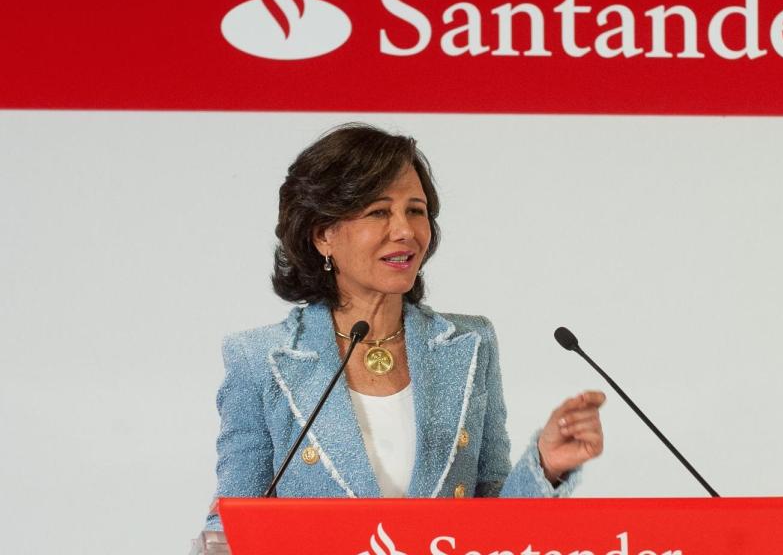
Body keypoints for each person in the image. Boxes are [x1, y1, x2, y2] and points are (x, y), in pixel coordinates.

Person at [206, 124, 605, 530]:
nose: (405, 231)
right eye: (379, 212)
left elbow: (494, 521)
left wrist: (547, 463)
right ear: (323, 234)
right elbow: (229, 525)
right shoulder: (259, 359)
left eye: (415, 210)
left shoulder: (470, 342)